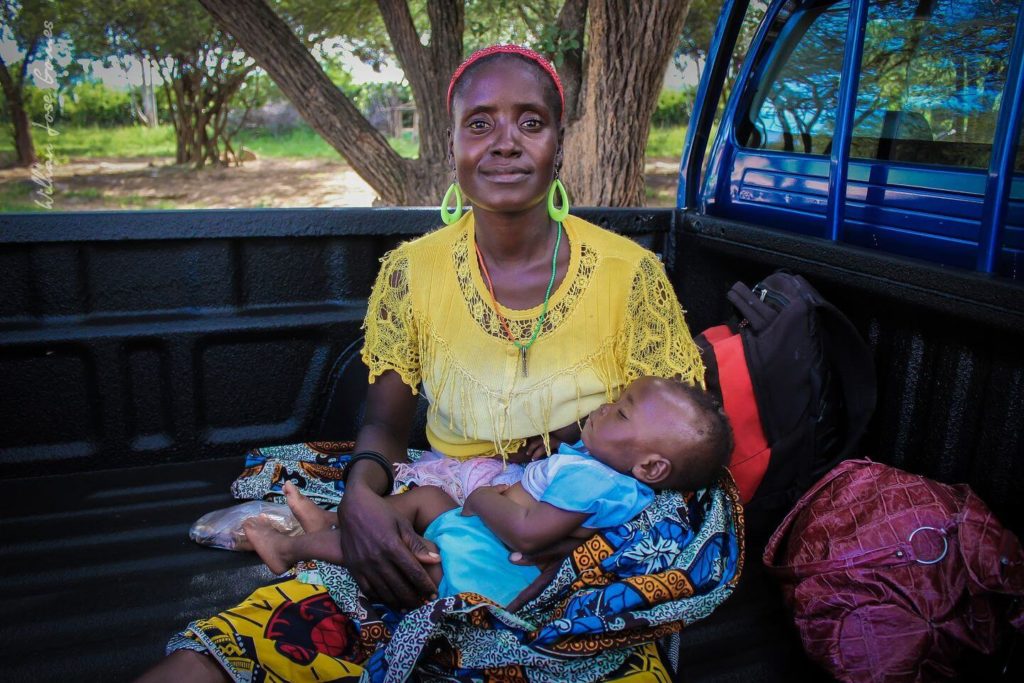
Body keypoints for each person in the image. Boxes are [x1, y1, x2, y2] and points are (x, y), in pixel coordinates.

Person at [144, 44, 706, 682]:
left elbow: (668, 438)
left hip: (579, 547)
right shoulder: (413, 271)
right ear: (452, 146)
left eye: (530, 122)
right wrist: (360, 498)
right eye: (479, 123)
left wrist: (588, 533)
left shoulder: (630, 274)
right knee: (251, 642)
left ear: (558, 144)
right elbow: (385, 425)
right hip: (447, 511)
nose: (504, 143)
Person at [243, 377, 732, 607]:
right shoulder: (605, 472)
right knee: (424, 503)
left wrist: (479, 501)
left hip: (485, 562)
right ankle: (333, 524)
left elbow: (528, 537)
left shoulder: (593, 480)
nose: (606, 407)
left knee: (411, 549)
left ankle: (290, 547)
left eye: (621, 413)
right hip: (486, 535)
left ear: (650, 465)